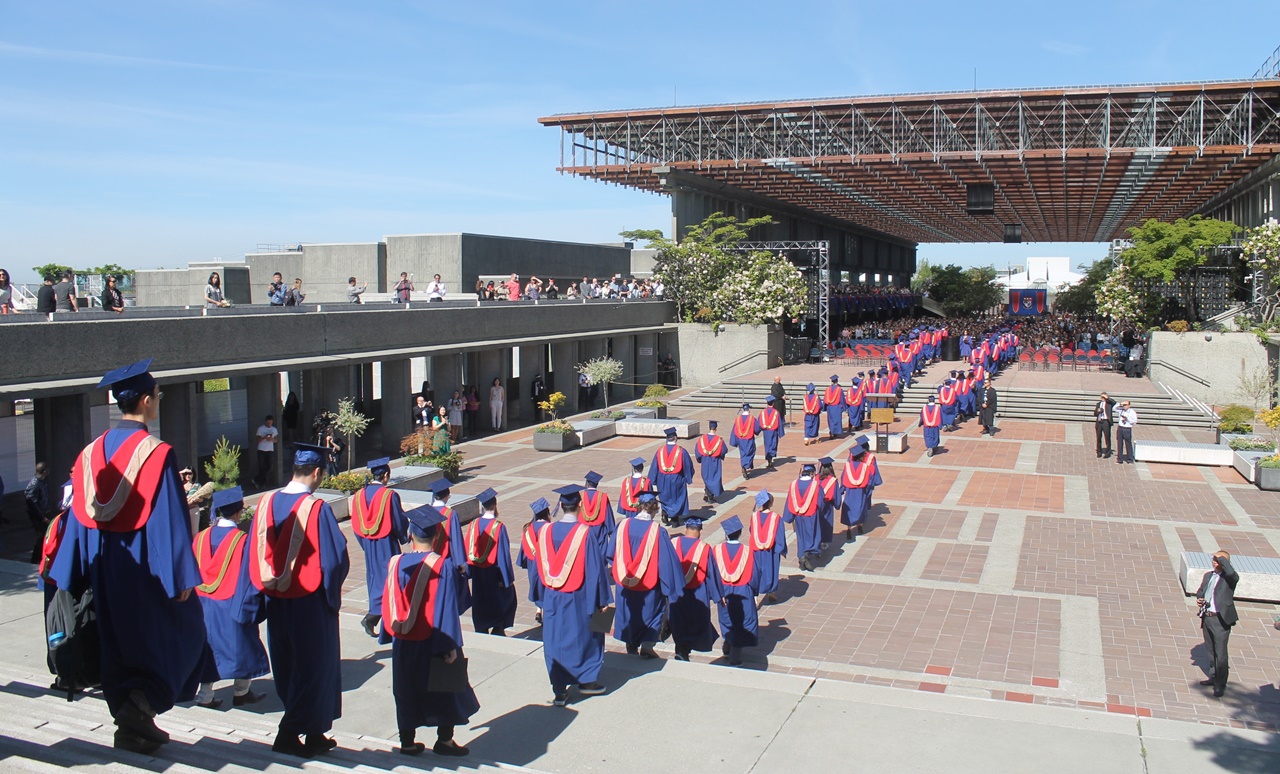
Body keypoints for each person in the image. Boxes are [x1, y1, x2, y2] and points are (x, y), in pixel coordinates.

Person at [46, 359, 207, 754]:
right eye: (159, 397)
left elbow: (79, 518)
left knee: (118, 644)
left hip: (104, 566)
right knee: (185, 635)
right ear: (148, 401)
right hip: (145, 568)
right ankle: (143, 705)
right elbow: (168, 518)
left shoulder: (89, 454)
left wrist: (71, 572)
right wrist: (180, 576)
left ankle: (131, 726)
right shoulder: (156, 453)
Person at [249, 442, 350, 757]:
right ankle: (289, 732)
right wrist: (331, 596)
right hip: (310, 603)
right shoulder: (316, 509)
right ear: (318, 472)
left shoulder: (265, 503)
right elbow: (335, 561)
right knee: (314, 668)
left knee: (289, 666)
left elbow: (251, 553)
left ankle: (316, 734)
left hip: (276, 601)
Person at [380, 504, 478, 757]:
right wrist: (449, 647)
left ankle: (408, 742)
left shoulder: (395, 563)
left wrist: (389, 634)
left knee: (406, 688)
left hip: (404, 639)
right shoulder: (441, 566)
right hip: (435, 639)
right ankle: (444, 741)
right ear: (436, 537)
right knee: (445, 688)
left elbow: (387, 601)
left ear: (411, 535)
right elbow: (446, 607)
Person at [192, 487, 268, 709]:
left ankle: (204, 696)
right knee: (243, 645)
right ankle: (241, 692)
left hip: (202, 603)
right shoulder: (242, 541)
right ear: (238, 512)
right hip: (232, 602)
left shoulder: (201, 536)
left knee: (207, 648)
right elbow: (251, 575)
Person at [537, 484, 612, 706]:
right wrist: (602, 601)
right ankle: (587, 682)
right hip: (579, 597)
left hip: (551, 595)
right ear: (579, 506)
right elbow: (595, 570)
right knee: (588, 636)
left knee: (553, 640)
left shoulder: (545, 531)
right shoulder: (585, 533)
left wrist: (540, 599)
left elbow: (537, 569)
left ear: (560, 505)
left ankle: (559, 690)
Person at [612, 488, 682, 658]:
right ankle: (647, 646)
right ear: (654, 509)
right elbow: (666, 564)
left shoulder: (622, 526)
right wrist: (672, 586)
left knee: (630, 612)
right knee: (652, 613)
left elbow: (610, 552)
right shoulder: (658, 532)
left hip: (625, 583)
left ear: (639, 506)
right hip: (648, 586)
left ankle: (631, 643)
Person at [350, 457, 408, 638]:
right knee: (390, 580)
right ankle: (375, 619)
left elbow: (356, 524)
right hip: (386, 543)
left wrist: (365, 544)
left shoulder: (359, 495)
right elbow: (398, 522)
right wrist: (403, 537)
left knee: (375, 579)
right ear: (384, 476)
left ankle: (375, 617)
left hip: (368, 543)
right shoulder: (389, 496)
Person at [465, 488, 518, 635]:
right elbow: (503, 555)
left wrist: (468, 571)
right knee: (498, 599)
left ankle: (481, 626)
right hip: (494, 573)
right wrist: (506, 578)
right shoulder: (498, 527)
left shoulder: (473, 524)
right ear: (495, 505)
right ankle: (497, 626)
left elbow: (467, 547)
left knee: (480, 599)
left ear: (483, 507)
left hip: (477, 572)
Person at [709, 515, 758, 667]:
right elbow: (755, 574)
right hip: (743, 590)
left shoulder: (716, 550)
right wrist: (754, 592)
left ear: (725, 534)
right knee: (743, 621)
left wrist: (716, 593)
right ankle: (735, 656)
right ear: (740, 533)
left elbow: (712, 573)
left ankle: (727, 644)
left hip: (724, 591)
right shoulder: (748, 551)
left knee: (727, 619)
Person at [668, 518, 717, 661]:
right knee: (696, 620)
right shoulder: (705, 548)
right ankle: (685, 650)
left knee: (677, 619)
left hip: (676, 591)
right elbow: (711, 574)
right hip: (698, 590)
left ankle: (680, 648)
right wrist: (718, 595)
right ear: (700, 532)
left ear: (685, 529)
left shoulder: (673, 543)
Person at [1195, 550, 1239, 698]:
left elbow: (1232, 573)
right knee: (1211, 650)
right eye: (1213, 559)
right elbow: (1201, 591)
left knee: (1221, 653)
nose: (1214, 561)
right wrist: (1200, 598)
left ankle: (1221, 684)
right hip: (1207, 617)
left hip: (1221, 620)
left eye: (1218, 560)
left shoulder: (1229, 579)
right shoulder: (1208, 575)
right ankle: (1213, 677)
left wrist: (1222, 559)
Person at [517, 498, 552, 624]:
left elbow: (524, 550)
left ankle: (538, 609)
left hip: (533, 564)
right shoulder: (550, 528)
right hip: (547, 563)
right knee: (547, 588)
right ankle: (545, 613)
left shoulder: (528, 528)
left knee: (536, 587)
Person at [650, 427, 695, 526]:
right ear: (675, 437)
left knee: (665, 496)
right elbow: (688, 466)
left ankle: (665, 511)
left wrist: (653, 480)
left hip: (662, 478)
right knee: (677, 498)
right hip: (677, 478)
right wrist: (688, 477)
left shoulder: (660, 451)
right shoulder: (682, 451)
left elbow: (654, 466)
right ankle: (674, 520)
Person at [782, 462, 823, 572]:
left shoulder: (794, 484)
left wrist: (789, 516)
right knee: (812, 536)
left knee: (801, 537)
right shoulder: (815, 485)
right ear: (811, 473)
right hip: (811, 515)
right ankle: (805, 555)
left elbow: (789, 500)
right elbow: (820, 502)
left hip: (798, 516)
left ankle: (801, 558)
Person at [748, 490, 787, 604]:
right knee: (771, 570)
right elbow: (780, 535)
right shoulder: (776, 518)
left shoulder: (754, 516)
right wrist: (781, 549)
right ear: (771, 503)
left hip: (756, 550)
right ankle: (771, 592)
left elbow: (751, 530)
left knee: (756, 571)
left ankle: (755, 596)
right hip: (771, 550)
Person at [839, 441, 881, 540]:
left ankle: (849, 529)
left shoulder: (848, 466)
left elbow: (843, 478)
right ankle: (860, 526)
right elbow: (868, 480)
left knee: (848, 510)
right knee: (861, 508)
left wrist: (842, 489)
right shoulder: (864, 467)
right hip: (860, 492)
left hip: (850, 492)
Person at [580, 470, 617, 562]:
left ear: (587, 483)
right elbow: (608, 515)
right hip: (600, 531)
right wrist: (610, 531)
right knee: (600, 556)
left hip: (584, 531)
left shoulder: (580, 496)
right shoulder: (602, 496)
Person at [24, 461, 52, 564]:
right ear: (44, 471)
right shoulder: (35, 484)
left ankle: (40, 558)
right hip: (38, 517)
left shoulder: (41, 482)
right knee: (41, 537)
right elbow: (32, 503)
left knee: (45, 536)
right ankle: (35, 560)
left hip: (43, 513)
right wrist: (42, 518)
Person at [694, 421, 726, 504]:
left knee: (707, 477)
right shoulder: (719, 440)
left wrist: (700, 459)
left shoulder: (701, 439)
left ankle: (707, 492)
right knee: (714, 478)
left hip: (705, 460)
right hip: (715, 461)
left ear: (709, 428)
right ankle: (710, 496)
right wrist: (721, 456)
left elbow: (697, 450)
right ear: (716, 429)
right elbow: (723, 450)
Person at [729, 403, 762, 479]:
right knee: (750, 451)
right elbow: (757, 429)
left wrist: (734, 441)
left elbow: (734, 430)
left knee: (742, 453)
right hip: (749, 439)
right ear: (749, 409)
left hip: (740, 439)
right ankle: (745, 465)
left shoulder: (737, 419)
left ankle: (744, 466)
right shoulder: (752, 418)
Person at [253, 415, 280, 488]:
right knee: (261, 467)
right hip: (261, 450)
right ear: (265, 422)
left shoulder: (274, 429)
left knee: (269, 467)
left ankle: (256, 480)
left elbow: (276, 440)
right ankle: (262, 483)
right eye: (268, 423)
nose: (269, 424)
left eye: (270, 423)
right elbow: (258, 440)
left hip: (270, 450)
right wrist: (265, 437)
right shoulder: (260, 429)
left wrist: (271, 439)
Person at [759, 396, 784, 468]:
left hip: (766, 432)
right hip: (773, 432)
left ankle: (769, 459)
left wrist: (757, 430)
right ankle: (771, 457)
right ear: (773, 403)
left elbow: (759, 422)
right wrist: (780, 433)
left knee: (767, 445)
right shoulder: (776, 412)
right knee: (773, 444)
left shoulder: (763, 412)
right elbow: (779, 423)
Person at [1116, 400, 1137, 464]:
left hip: (1127, 428)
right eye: (1124, 405)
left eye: (1126, 405)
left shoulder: (1132, 412)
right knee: (1119, 444)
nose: (1124, 406)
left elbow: (1134, 421)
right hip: (1120, 428)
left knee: (1128, 444)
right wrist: (1121, 403)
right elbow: (1115, 407)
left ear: (1129, 406)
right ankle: (1120, 459)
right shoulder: (1121, 410)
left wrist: (1127, 419)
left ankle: (1130, 459)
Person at [1095, 392, 1115, 459]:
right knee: (1098, 437)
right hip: (1099, 421)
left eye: (1104, 397)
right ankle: (1099, 452)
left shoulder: (1109, 404)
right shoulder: (1098, 404)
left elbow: (1114, 402)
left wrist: (1107, 398)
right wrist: (1098, 411)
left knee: (1107, 437)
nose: (1102, 399)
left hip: (1106, 421)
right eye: (1102, 397)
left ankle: (1108, 452)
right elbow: (1095, 413)